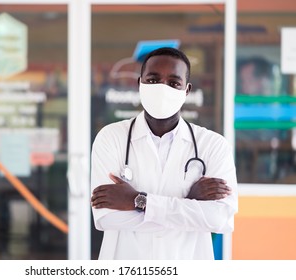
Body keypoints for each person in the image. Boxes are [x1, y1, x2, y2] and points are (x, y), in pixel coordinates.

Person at [90, 47, 238, 260]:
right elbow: (106, 217)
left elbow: (219, 219)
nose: (162, 88)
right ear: (139, 83)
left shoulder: (213, 145)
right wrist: (189, 202)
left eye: (173, 83)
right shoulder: (111, 137)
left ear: (186, 90)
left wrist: (138, 201)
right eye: (153, 80)